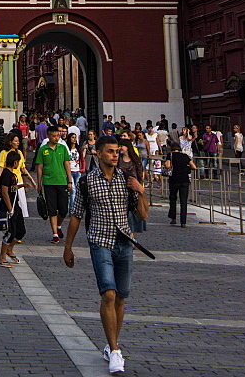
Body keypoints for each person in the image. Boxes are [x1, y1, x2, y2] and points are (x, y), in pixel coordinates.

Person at [63, 134, 145, 374]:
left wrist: (141, 191)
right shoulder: (87, 182)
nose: (115, 155)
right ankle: (115, 349)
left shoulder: (126, 180)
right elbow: (76, 215)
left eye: (117, 151)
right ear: (98, 153)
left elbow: (143, 216)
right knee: (108, 294)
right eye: (110, 151)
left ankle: (111, 345)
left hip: (125, 243)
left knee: (121, 297)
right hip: (100, 242)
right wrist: (68, 247)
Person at [35, 123, 72, 244]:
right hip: (48, 182)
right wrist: (39, 183)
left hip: (62, 181)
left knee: (63, 209)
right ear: (49, 136)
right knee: (51, 209)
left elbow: (67, 165)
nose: (56, 138)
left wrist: (70, 180)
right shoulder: (43, 149)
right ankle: (55, 233)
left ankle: (59, 226)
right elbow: (39, 167)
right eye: (54, 136)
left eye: (58, 136)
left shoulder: (62, 148)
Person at [0, 150, 26, 266]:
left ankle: (10, 249)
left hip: (15, 205)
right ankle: (1, 258)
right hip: (9, 207)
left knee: (21, 230)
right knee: (10, 232)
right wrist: (10, 209)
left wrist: (21, 185)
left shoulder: (12, 175)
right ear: (14, 162)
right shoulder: (6, 174)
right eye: (18, 162)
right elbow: (5, 192)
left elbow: (11, 188)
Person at [0, 133, 35, 218]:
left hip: (18, 181)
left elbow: (23, 168)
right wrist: (0, 184)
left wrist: (31, 180)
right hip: (9, 181)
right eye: (16, 141)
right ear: (10, 142)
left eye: (18, 141)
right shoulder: (4, 153)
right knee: (9, 202)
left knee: (20, 205)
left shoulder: (19, 153)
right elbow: (0, 168)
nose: (18, 143)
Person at [118, 135, 147, 233]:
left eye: (122, 146)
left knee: (134, 213)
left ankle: (133, 234)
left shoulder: (135, 161)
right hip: (121, 190)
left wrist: (140, 188)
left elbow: (140, 176)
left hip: (134, 191)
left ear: (127, 147)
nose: (120, 148)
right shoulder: (118, 160)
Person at [165, 141, 196, 228]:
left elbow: (167, 166)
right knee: (183, 201)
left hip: (174, 180)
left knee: (173, 198)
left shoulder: (170, 155)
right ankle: (183, 222)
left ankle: (173, 218)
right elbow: (194, 167)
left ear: (172, 149)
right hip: (185, 180)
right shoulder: (185, 156)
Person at [67, 133, 82, 204]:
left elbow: (82, 158)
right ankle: (71, 209)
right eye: (73, 137)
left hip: (77, 170)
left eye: (75, 137)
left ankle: (76, 206)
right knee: (72, 190)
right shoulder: (67, 148)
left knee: (77, 190)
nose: (74, 139)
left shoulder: (78, 149)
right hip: (70, 170)